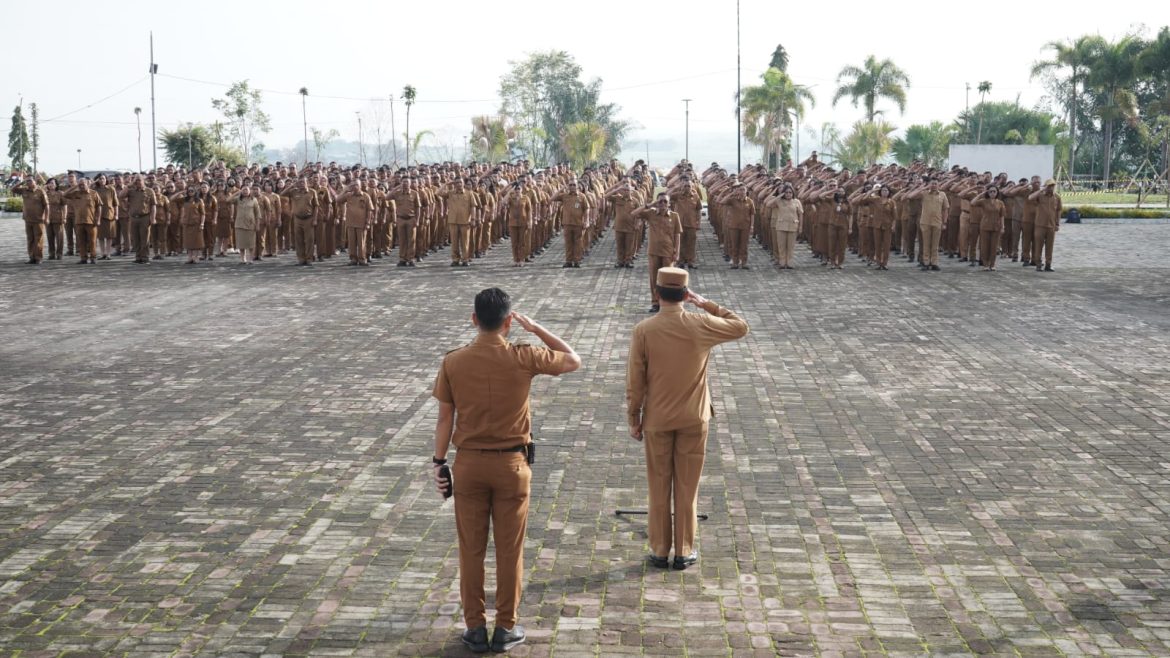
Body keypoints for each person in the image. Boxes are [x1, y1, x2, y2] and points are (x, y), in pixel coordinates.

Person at [431, 288, 581, 654]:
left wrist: (438, 464)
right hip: (512, 465)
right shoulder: (523, 356)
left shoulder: (454, 362)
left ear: (474, 319)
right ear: (509, 321)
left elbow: (445, 419)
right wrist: (537, 329)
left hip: (468, 465)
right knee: (510, 551)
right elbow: (573, 359)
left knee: (471, 549)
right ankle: (506, 627)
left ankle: (475, 627)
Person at [626, 267, 749, 570]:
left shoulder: (644, 329)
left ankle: (658, 549)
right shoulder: (701, 323)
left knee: (658, 485)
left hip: (657, 418)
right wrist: (705, 303)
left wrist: (634, 416)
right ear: (685, 294)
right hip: (694, 417)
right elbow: (740, 326)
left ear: (656, 293)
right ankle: (683, 550)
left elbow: (635, 380)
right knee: (687, 486)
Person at [632, 192, 682, 313]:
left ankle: (667, 303)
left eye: (665, 201)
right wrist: (649, 205)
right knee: (654, 278)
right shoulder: (651, 214)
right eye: (660, 201)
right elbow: (634, 213)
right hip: (653, 251)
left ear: (669, 204)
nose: (663, 204)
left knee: (667, 279)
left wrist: (677, 252)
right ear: (657, 202)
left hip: (668, 252)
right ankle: (655, 303)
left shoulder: (674, 216)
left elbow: (677, 235)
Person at [12, 176, 48, 264]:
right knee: (30, 239)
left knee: (38, 239)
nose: (28, 183)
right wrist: (22, 181)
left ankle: (38, 258)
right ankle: (32, 257)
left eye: (30, 181)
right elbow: (13, 189)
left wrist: (47, 218)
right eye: (27, 181)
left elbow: (47, 206)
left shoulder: (40, 191)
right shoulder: (24, 190)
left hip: (38, 219)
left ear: (35, 182)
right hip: (28, 219)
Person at [1030, 179, 1062, 272]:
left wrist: (1057, 223)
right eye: (1049, 186)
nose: (1051, 188)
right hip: (1040, 224)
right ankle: (1038, 264)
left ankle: (1048, 264)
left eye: (1052, 186)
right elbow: (1030, 198)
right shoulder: (1040, 195)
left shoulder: (1057, 197)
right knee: (1038, 245)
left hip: (1051, 225)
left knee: (1049, 246)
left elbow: (1059, 210)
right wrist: (1041, 190)